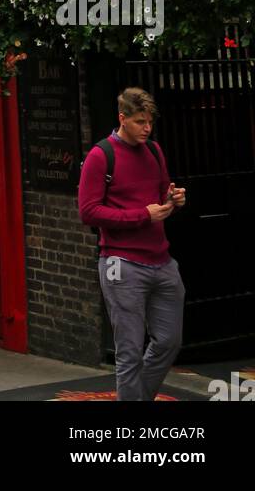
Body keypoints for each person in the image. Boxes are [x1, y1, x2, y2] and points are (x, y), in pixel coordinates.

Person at [79, 86, 186, 402]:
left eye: (150, 122)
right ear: (122, 118)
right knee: (129, 352)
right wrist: (142, 215)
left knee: (169, 341)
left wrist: (173, 198)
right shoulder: (101, 156)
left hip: (162, 261)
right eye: (140, 121)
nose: (147, 128)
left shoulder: (154, 151)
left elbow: (162, 190)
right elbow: (88, 212)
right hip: (120, 264)